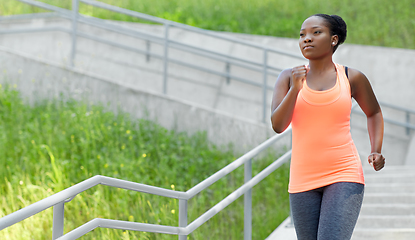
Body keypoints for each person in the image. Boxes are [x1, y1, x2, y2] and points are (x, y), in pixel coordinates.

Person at [270, 14, 385, 240]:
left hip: (344, 172)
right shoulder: (287, 77)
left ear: (333, 40)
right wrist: (295, 88)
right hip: (302, 178)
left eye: (316, 32)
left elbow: (374, 112)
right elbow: (278, 125)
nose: (307, 39)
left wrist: (376, 149)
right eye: (302, 35)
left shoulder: (351, 77)